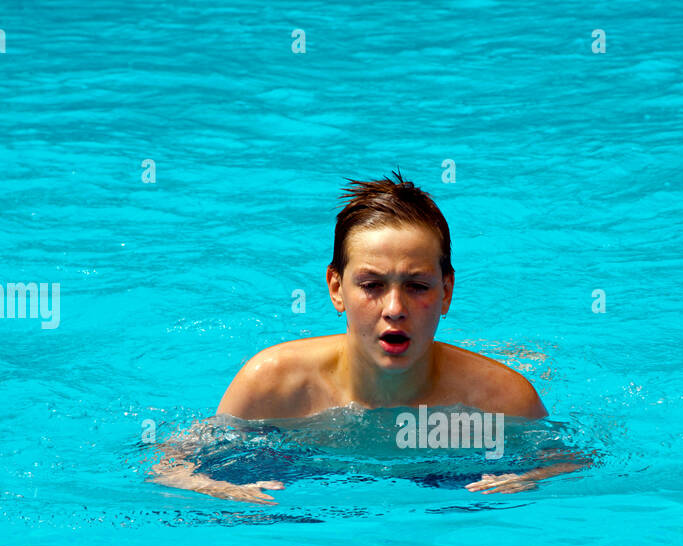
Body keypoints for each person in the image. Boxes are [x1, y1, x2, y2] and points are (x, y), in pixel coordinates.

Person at [150, 171, 580, 503]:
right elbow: (169, 464)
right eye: (371, 285)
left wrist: (531, 479)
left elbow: (568, 463)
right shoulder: (272, 382)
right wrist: (217, 491)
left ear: (446, 291)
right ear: (336, 288)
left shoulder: (500, 398)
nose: (394, 309)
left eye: (418, 286)